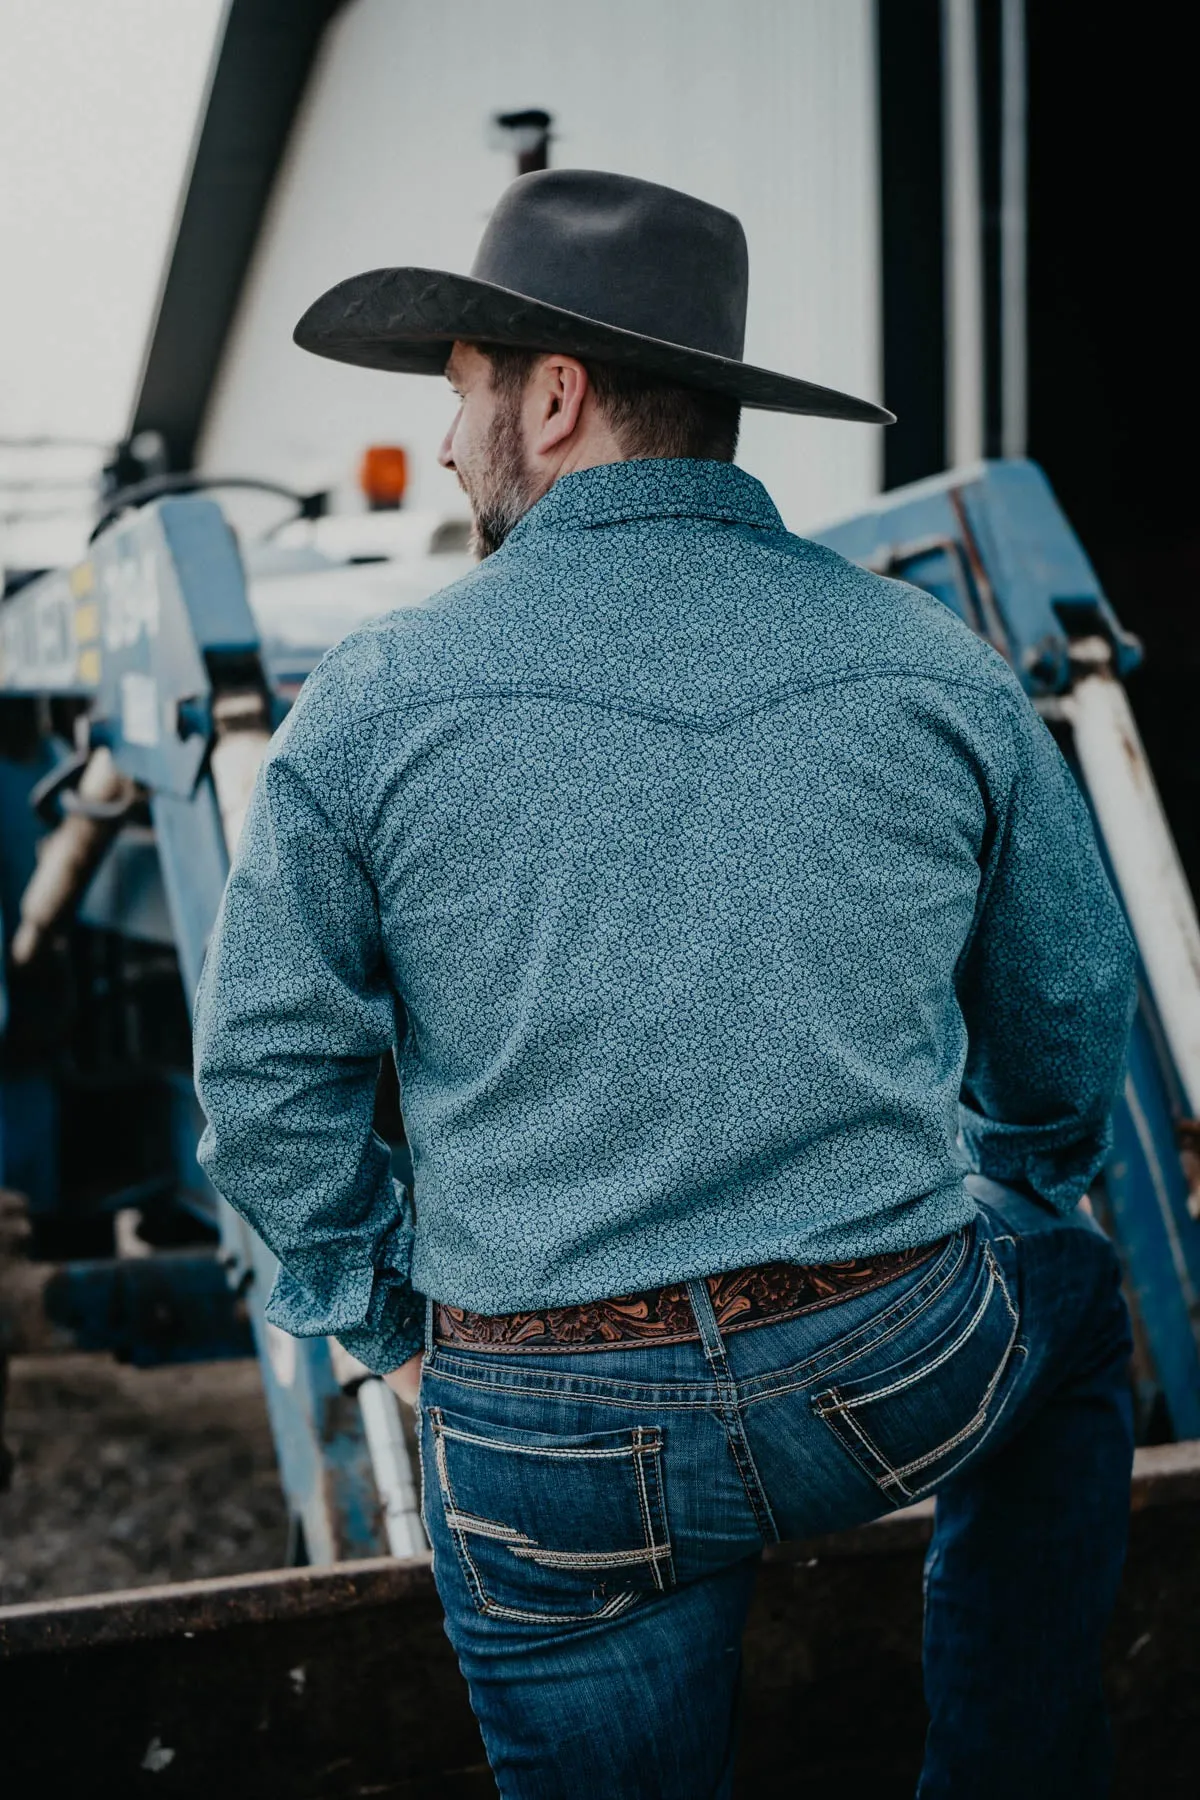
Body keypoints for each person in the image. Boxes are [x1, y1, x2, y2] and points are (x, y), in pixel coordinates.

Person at [194, 169, 1137, 1798]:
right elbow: (1065, 1018)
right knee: (1067, 1295)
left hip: (550, 1435)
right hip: (891, 1365)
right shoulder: (936, 663)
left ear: (553, 400)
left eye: (460, 392)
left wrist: (384, 1314)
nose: (442, 440)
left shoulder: (371, 702)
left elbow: (264, 1088)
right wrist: (1024, 1177)